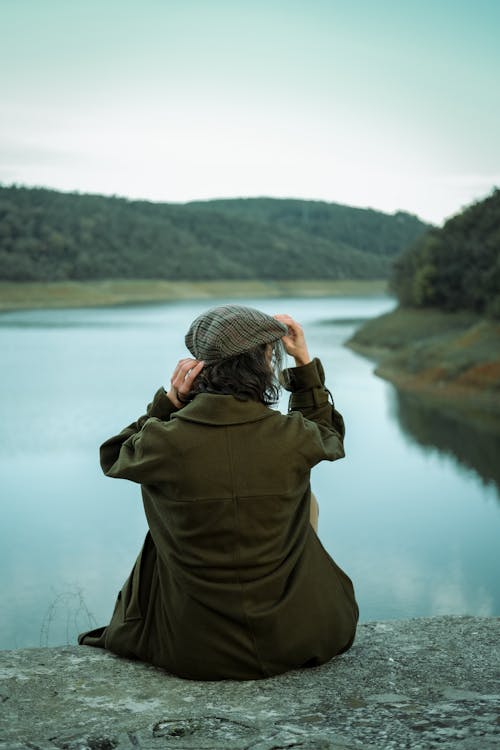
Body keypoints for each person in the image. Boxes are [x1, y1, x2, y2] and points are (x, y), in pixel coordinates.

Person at [78, 305, 358, 680]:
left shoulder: (163, 442)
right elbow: (331, 437)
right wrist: (303, 363)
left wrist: (168, 403)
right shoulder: (293, 435)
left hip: (191, 649)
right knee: (306, 502)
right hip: (299, 638)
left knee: (171, 517)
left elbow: (113, 456)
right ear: (262, 362)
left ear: (199, 369)